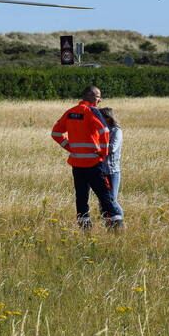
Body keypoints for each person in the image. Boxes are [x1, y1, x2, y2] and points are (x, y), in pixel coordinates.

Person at [50, 85, 124, 230]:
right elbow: (104, 131)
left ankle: (84, 226)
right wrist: (103, 152)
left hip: (77, 164)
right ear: (90, 96)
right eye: (98, 97)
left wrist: (70, 147)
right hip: (94, 163)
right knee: (105, 197)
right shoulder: (93, 112)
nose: (100, 100)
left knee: (81, 197)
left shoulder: (71, 112)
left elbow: (56, 134)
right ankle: (117, 225)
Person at [99, 107, 123, 205]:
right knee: (102, 201)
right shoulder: (100, 131)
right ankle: (107, 220)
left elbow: (112, 148)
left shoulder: (116, 131)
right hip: (100, 170)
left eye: (100, 117)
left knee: (111, 200)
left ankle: (118, 219)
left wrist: (96, 150)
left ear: (108, 118)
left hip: (112, 170)